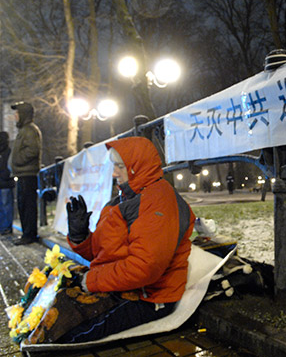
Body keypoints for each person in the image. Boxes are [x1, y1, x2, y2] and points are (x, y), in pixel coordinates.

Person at [33, 136, 195, 343]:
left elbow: (144, 268)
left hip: (149, 296)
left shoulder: (157, 201)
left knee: (60, 331)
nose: (114, 173)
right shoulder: (123, 198)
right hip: (120, 283)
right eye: (114, 165)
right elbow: (100, 253)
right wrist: (79, 234)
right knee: (53, 288)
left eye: (120, 166)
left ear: (137, 166)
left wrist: (91, 281)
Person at [10, 102, 42, 245]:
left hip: (27, 174)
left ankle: (29, 235)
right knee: (23, 205)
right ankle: (26, 234)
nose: (15, 117)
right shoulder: (25, 130)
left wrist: (17, 160)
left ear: (23, 115)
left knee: (27, 205)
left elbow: (32, 150)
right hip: (23, 173)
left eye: (17, 114)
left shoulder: (29, 130)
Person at [0, 132, 15, 236]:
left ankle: (6, 227)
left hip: (5, 182)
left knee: (5, 205)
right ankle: (5, 227)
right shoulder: (8, 151)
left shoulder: (7, 152)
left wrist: (5, 175)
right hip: (5, 182)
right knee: (5, 206)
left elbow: (8, 167)